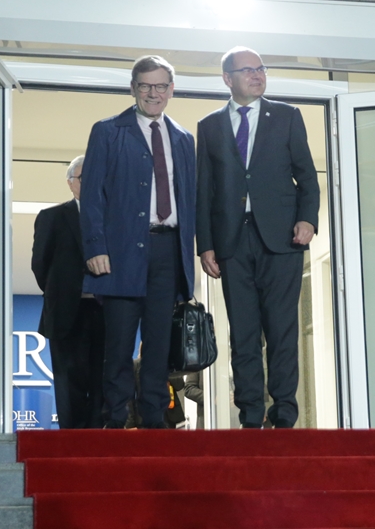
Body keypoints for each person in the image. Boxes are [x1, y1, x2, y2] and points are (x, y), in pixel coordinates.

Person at [196, 47, 320, 429]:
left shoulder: (286, 116)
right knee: (243, 333)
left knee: (282, 330)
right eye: (247, 70)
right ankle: (250, 416)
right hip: (232, 241)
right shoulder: (209, 126)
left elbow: (307, 175)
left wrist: (307, 219)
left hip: (282, 239)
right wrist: (205, 244)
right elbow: (204, 190)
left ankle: (283, 415)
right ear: (227, 78)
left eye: (261, 69)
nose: (257, 75)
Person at [80, 56, 196, 430]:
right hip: (121, 252)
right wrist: (95, 246)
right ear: (133, 88)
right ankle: (115, 422)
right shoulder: (107, 131)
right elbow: (92, 195)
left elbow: (191, 200)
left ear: (171, 90)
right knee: (118, 344)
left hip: (168, 250)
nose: (153, 93)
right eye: (145, 85)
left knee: (159, 345)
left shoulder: (183, 139)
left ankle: (154, 422)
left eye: (160, 85)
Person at [31, 154, 104, 428]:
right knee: (69, 381)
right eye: (85, 178)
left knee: (103, 381)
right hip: (66, 311)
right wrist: (62, 293)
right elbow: (40, 265)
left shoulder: (114, 218)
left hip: (105, 311)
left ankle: (98, 441)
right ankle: (71, 441)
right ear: (71, 182)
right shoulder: (52, 217)